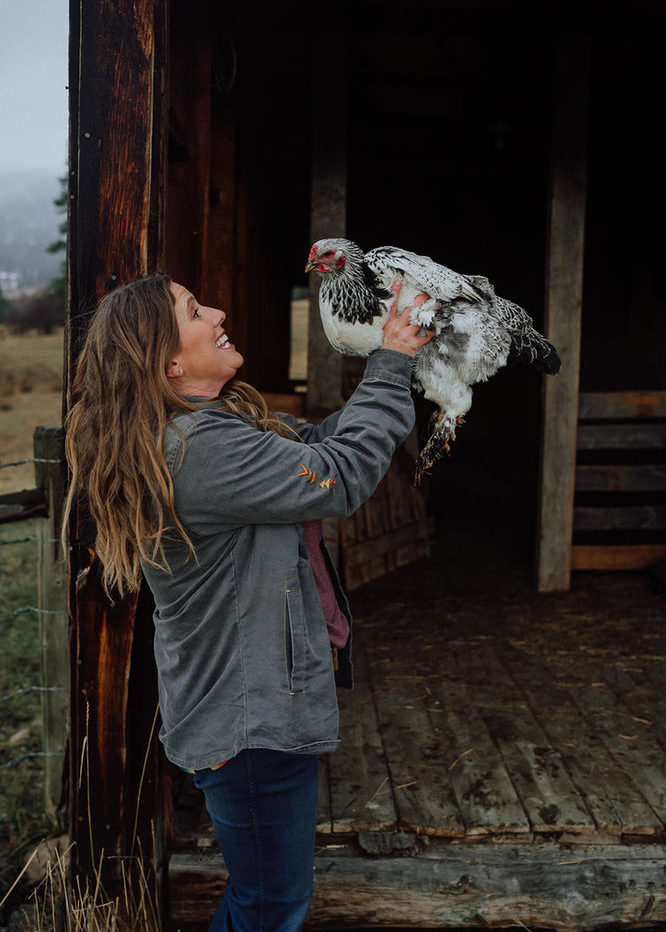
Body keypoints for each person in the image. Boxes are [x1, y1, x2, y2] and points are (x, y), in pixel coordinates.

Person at [64, 271, 433, 932]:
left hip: (247, 710)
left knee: (268, 896)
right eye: (194, 309)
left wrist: (397, 372)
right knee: (268, 905)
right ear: (168, 362)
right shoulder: (196, 451)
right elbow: (338, 477)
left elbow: (318, 448)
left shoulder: (213, 425)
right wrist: (391, 365)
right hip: (248, 721)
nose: (218, 310)